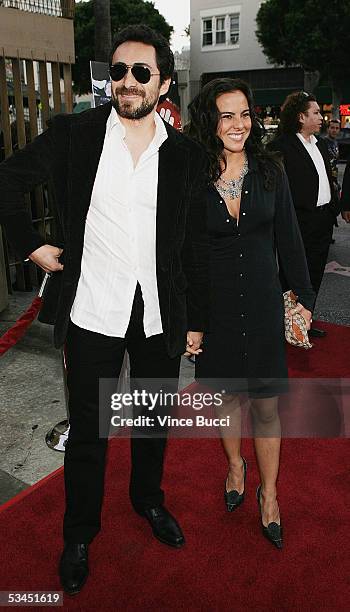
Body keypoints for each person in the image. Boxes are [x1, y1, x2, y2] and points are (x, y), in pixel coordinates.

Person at [0, 25, 208, 594]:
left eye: (142, 72)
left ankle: (148, 501)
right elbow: (8, 180)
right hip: (92, 311)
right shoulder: (74, 134)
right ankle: (79, 534)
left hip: (158, 315)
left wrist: (196, 320)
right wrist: (30, 245)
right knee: (88, 434)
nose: (128, 81)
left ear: (163, 82)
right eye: (118, 70)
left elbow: (192, 245)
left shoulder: (186, 155)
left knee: (151, 424)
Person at [186, 78, 314, 549]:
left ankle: (271, 495)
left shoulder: (270, 172)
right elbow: (187, 251)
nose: (238, 124)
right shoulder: (193, 176)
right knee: (225, 398)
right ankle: (236, 467)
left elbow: (290, 238)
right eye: (226, 115)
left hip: (262, 303)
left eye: (244, 114)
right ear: (210, 121)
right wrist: (191, 319)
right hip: (215, 306)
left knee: (264, 405)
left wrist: (301, 296)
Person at [270, 92, 338, 338]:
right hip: (298, 221)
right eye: (316, 112)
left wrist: (333, 209)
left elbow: (327, 178)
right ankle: (287, 325)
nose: (321, 117)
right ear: (301, 117)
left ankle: (305, 322)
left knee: (315, 273)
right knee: (292, 276)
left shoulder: (319, 143)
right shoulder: (281, 147)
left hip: (323, 220)